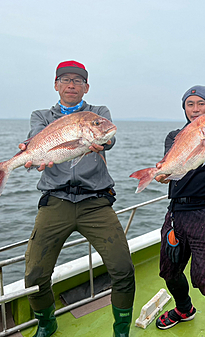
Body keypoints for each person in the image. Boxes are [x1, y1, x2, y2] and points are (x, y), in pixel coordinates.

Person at [20, 60, 135, 337]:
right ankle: (47, 324)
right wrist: (31, 151)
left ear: (86, 87)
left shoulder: (97, 114)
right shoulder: (41, 115)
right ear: (56, 85)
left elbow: (109, 138)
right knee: (34, 277)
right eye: (65, 80)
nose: (71, 85)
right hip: (55, 200)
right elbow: (36, 138)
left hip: (95, 201)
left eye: (77, 81)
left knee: (123, 269)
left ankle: (121, 331)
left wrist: (103, 141)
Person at [154, 86, 205, 337]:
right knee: (169, 272)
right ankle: (184, 309)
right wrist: (163, 173)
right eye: (190, 104)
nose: (196, 109)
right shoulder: (175, 136)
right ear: (184, 108)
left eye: (201, 104)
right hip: (178, 212)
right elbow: (174, 168)